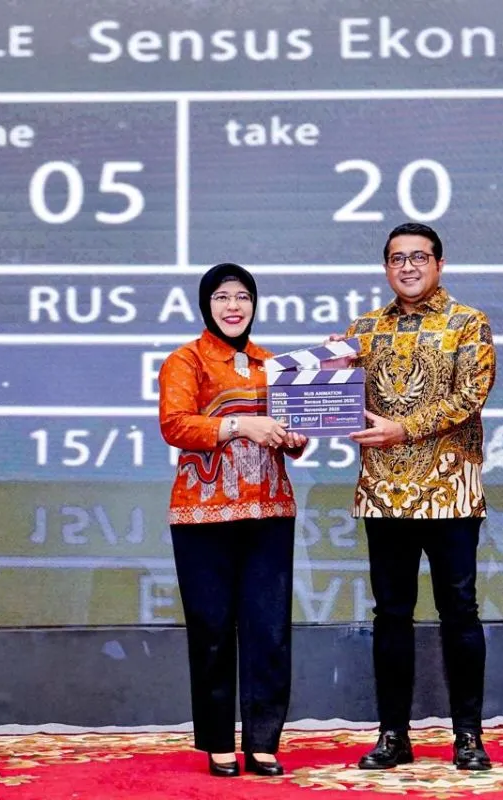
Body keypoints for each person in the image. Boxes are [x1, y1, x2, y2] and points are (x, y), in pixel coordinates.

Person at [335, 221, 497, 771]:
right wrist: (330, 371)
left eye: (419, 257)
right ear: (386, 267)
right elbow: (337, 400)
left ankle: (468, 736)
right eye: (397, 258)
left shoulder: (468, 322)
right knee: (390, 615)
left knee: (460, 612)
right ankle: (393, 735)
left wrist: (404, 429)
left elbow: (471, 394)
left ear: (439, 264)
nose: (407, 267)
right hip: (383, 493)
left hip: (451, 491)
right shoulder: (362, 329)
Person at [158, 263, 307, 778]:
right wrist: (243, 424)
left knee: (269, 631)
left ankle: (264, 742)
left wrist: (293, 437)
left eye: (242, 296)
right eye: (222, 297)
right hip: (202, 516)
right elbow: (175, 425)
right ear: (207, 305)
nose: (233, 306)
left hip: (270, 510)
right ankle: (219, 742)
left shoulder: (274, 364)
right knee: (213, 631)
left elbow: (291, 433)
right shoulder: (186, 360)